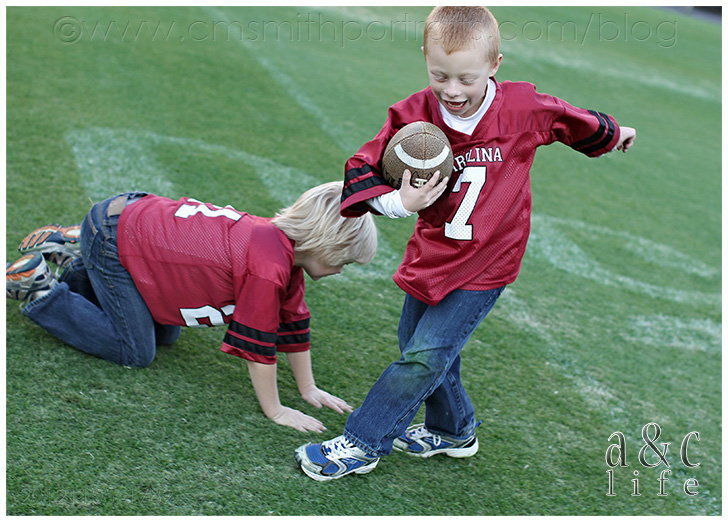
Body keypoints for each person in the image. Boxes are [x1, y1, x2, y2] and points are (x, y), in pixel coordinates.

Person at [295, 6, 636, 480]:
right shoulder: (412, 116)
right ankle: (454, 430)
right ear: (425, 57)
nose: (452, 90)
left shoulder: (521, 107)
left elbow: (567, 119)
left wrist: (614, 133)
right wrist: (399, 202)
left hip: (489, 259)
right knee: (420, 346)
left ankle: (362, 442)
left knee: (424, 356)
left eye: (466, 79)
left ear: (495, 65)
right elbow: (362, 167)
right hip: (434, 253)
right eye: (440, 75)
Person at [6, 181, 378, 433]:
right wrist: (276, 410)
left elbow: (293, 321)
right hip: (115, 236)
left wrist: (308, 388)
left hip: (129, 220)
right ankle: (40, 288)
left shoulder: (281, 248)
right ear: (324, 244)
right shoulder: (268, 267)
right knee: (135, 351)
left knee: (166, 334)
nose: (341, 269)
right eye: (343, 261)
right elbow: (259, 345)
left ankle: (81, 256)